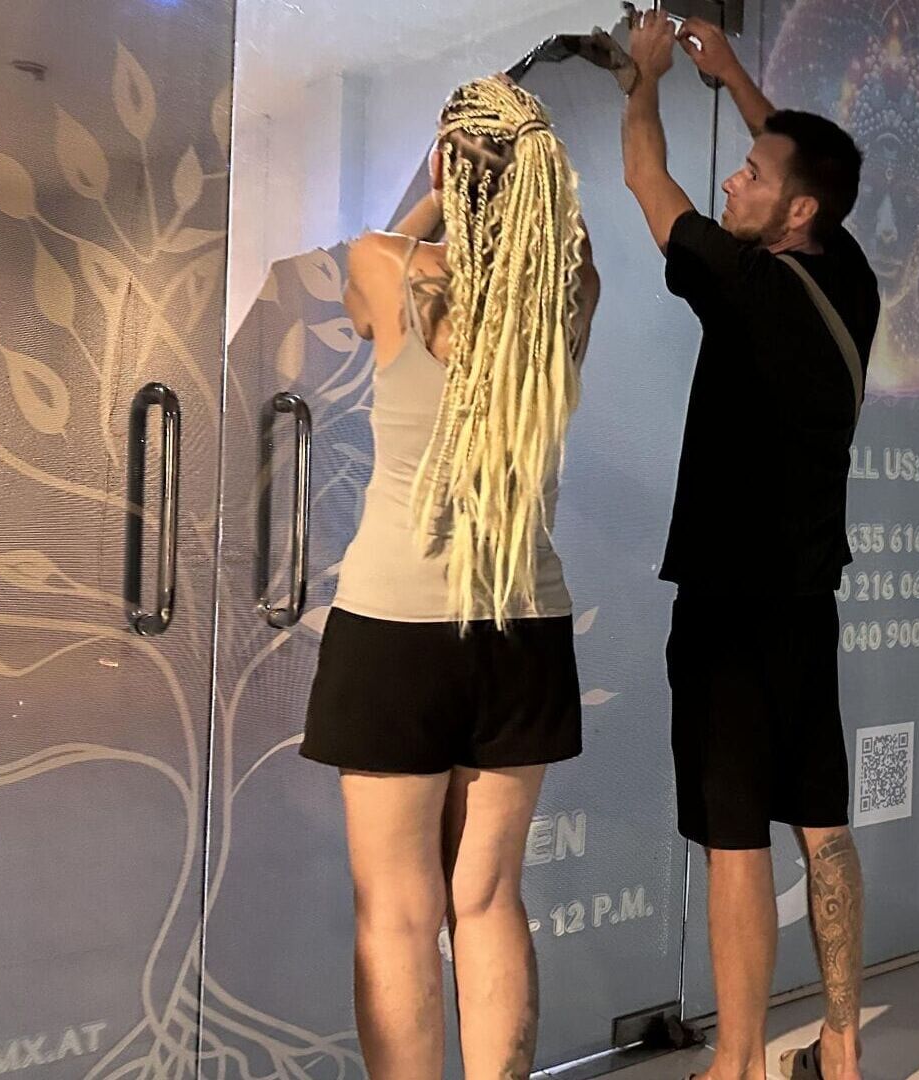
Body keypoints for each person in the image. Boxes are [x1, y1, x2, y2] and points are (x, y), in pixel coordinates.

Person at [298, 75, 599, 1080]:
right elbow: (565, 245)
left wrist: (439, 192)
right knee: (490, 898)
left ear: (444, 163)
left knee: (397, 913)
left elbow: (366, 272)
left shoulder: (392, 271)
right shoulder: (568, 295)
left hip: (395, 630)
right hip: (523, 627)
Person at [620, 10, 880, 1080]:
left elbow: (648, 180)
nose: (733, 180)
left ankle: (735, 1065)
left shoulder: (742, 282)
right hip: (806, 606)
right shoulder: (845, 278)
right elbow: (798, 156)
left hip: (728, 611)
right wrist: (731, 74)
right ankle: (841, 1050)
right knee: (823, 826)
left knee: (735, 840)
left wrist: (645, 78)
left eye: (751, 177)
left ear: (794, 209)